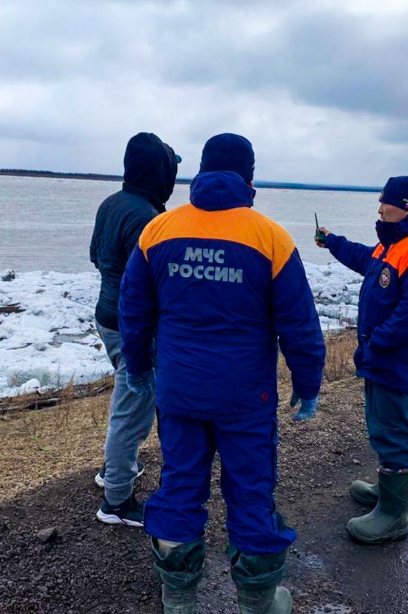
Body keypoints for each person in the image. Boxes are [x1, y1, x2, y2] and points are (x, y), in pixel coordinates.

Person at [120, 133, 325, 613]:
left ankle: (179, 601)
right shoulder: (270, 236)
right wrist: (308, 383)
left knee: (179, 487)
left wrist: (136, 366)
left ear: (202, 173)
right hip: (244, 399)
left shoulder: (159, 231)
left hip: (179, 392)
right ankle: (256, 603)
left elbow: (134, 309)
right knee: (251, 493)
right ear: (249, 178)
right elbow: (299, 322)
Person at [315, 176, 408, 545]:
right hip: (379, 358)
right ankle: (387, 489)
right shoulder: (395, 244)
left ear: (405, 207)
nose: (378, 208)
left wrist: (376, 343)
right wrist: (332, 242)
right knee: (381, 424)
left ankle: (394, 515)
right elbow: (365, 260)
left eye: (384, 202)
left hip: (397, 362)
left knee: (394, 431)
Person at [89, 132, 180, 527]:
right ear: (158, 173)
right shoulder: (149, 219)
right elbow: (154, 284)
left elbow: (96, 256)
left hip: (106, 318)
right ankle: (117, 501)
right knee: (132, 412)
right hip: (133, 328)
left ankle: (115, 467)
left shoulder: (111, 203)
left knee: (126, 400)